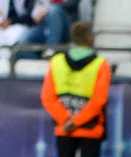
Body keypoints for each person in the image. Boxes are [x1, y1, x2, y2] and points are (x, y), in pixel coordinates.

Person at [41, 21, 111, 157]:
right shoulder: (101, 65)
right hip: (91, 129)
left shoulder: (56, 62)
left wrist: (67, 121)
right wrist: (77, 121)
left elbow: (47, 97)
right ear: (90, 38)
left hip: (64, 128)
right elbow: (99, 100)